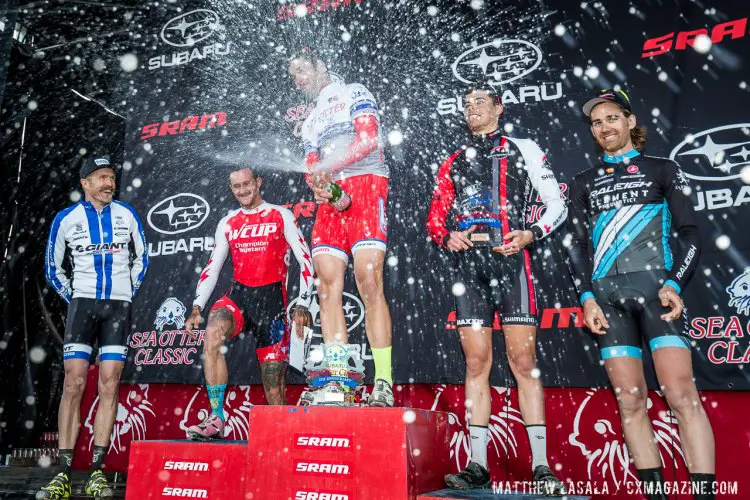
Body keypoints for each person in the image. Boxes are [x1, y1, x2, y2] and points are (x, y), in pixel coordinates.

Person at [567, 88, 715, 500]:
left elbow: (689, 234)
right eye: (596, 123)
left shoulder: (662, 170)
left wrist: (674, 283)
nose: (604, 127)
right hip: (607, 300)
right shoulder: (582, 182)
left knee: (682, 396)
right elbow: (578, 246)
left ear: (630, 122)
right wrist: (586, 298)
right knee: (630, 402)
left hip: (657, 295)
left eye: (612, 118)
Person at [427, 88, 567, 493]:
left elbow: (557, 202)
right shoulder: (453, 158)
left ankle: (541, 466)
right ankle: (477, 464)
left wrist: (532, 233)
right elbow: (436, 215)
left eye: (480, 102)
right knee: (475, 365)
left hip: (512, 263)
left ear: (499, 108)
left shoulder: (522, 147)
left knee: (524, 363)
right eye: (466, 103)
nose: (472, 108)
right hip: (470, 267)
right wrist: (446, 235)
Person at [287, 48, 393, 406]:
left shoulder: (354, 91)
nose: (298, 79)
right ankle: (338, 380)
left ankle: (383, 381)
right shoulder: (311, 118)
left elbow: (368, 140)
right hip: (332, 202)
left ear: (320, 65)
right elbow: (311, 166)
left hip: (367, 184)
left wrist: (328, 167)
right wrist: (321, 186)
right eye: (293, 75)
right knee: (328, 287)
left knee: (369, 282)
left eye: (302, 70)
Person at [40, 155, 149, 499]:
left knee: (109, 383)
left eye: (112, 177)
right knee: (73, 383)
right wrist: (73, 295)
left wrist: (127, 292)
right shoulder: (66, 219)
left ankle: (98, 472)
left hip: (118, 307)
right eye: (101, 178)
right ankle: (63, 473)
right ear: (85, 183)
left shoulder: (127, 214)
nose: (108, 183)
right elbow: (51, 266)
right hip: (82, 305)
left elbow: (142, 257)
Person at [184, 166, 313, 440]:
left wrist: (303, 303)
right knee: (212, 334)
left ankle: (282, 436)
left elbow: (305, 259)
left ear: (258, 182)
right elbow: (212, 267)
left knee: (274, 386)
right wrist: (197, 306)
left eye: (247, 184)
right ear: (232, 189)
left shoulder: (281, 215)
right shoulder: (228, 222)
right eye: (236, 186)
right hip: (239, 297)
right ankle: (217, 418)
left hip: (272, 304)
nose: (242, 190)